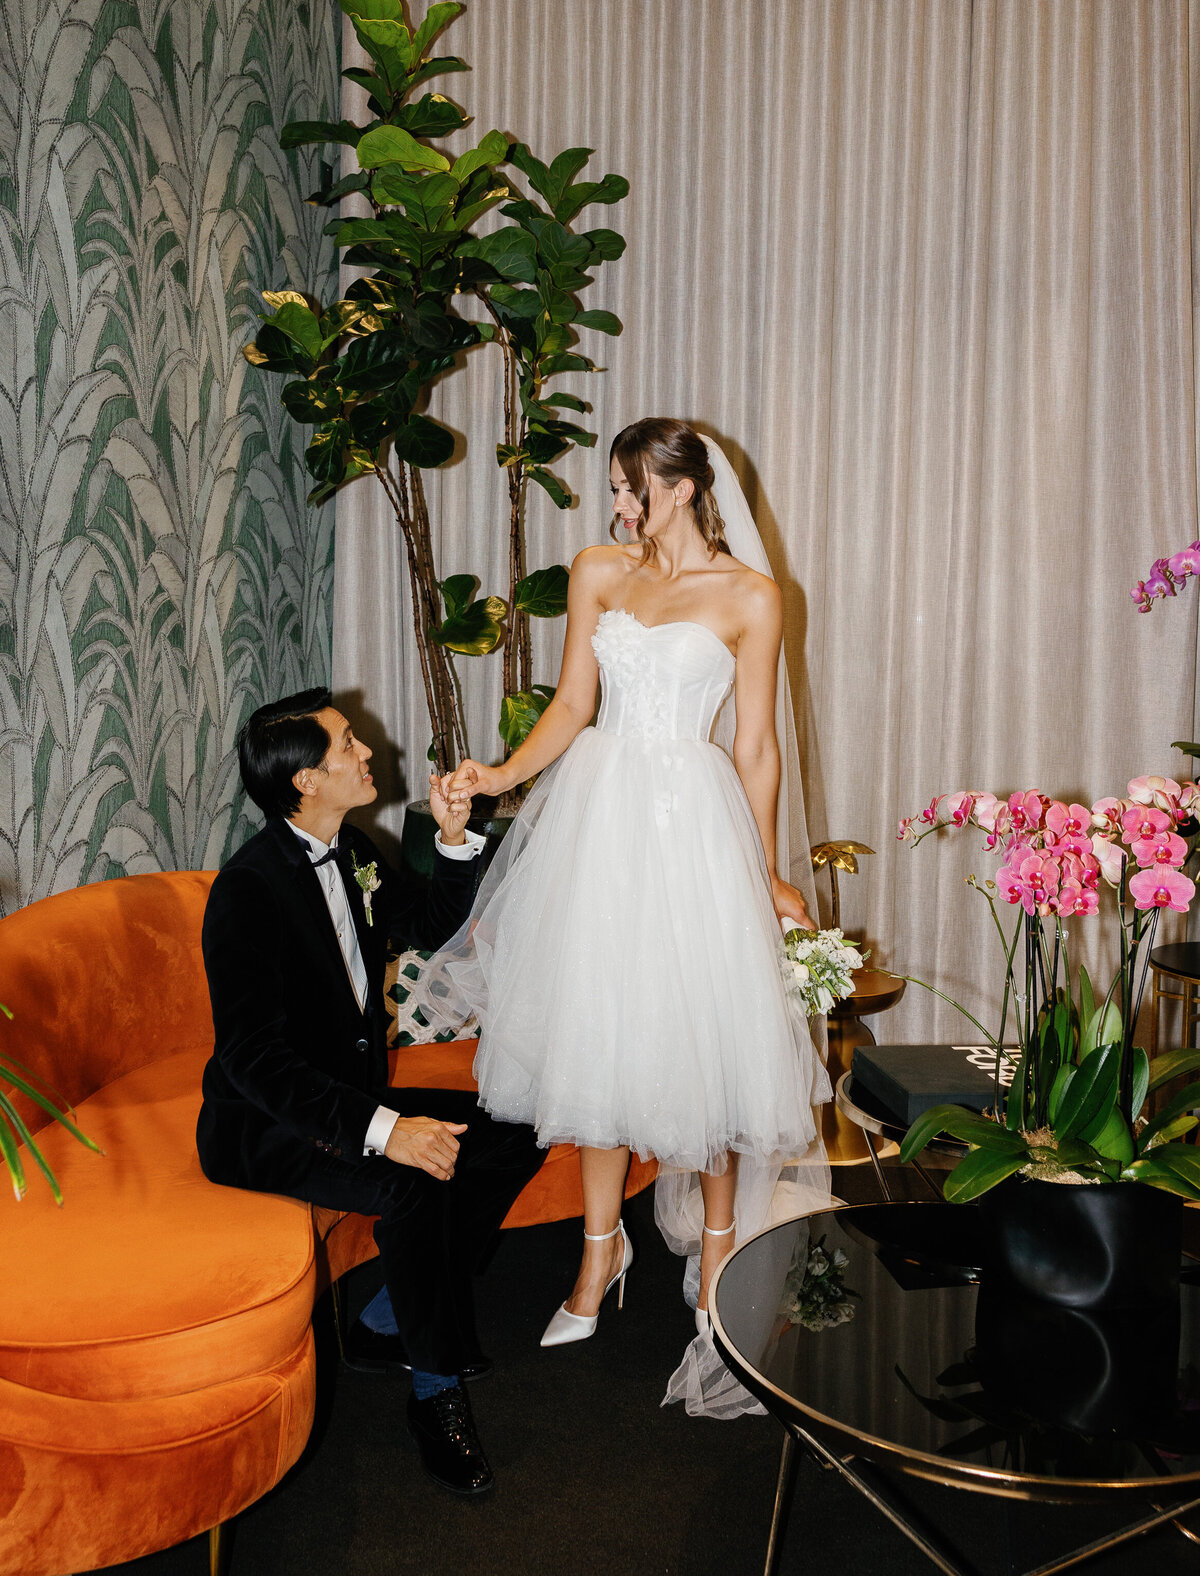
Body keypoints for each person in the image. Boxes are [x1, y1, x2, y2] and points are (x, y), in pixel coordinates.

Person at [416, 419, 831, 1418]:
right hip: (598, 826)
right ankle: (599, 1259)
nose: (615, 505)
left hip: (694, 828)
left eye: (629, 487)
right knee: (595, 1037)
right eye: (613, 487)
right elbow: (569, 706)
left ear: (682, 488)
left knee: (707, 1045)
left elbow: (758, 746)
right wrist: (499, 775)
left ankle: (718, 1271)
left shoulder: (751, 597)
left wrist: (761, 869)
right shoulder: (600, 571)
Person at [196, 689, 546, 1495]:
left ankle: (387, 1320)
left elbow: (427, 924)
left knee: (516, 1124)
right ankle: (436, 1394)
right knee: (413, 1184)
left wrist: (455, 840)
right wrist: (387, 1129)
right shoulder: (246, 893)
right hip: (269, 1125)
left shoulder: (349, 847)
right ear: (304, 783)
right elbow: (255, 1064)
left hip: (347, 1101)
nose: (366, 752)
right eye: (347, 745)